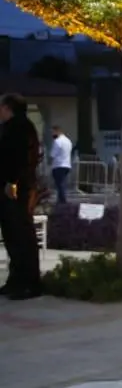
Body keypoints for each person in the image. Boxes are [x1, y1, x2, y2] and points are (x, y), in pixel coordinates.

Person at [0, 94, 43, 299]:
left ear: (7, 107)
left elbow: (22, 159)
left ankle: (30, 283)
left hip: (19, 188)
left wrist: (13, 181)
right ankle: (15, 279)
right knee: (11, 236)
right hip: (8, 188)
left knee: (22, 235)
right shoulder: (9, 127)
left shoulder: (21, 128)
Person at [49, 125, 73, 203]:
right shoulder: (68, 141)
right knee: (63, 183)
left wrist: (49, 162)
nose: (52, 134)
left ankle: (62, 200)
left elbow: (53, 154)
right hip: (67, 164)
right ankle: (61, 200)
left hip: (58, 165)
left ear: (57, 131)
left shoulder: (57, 141)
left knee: (59, 184)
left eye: (53, 132)